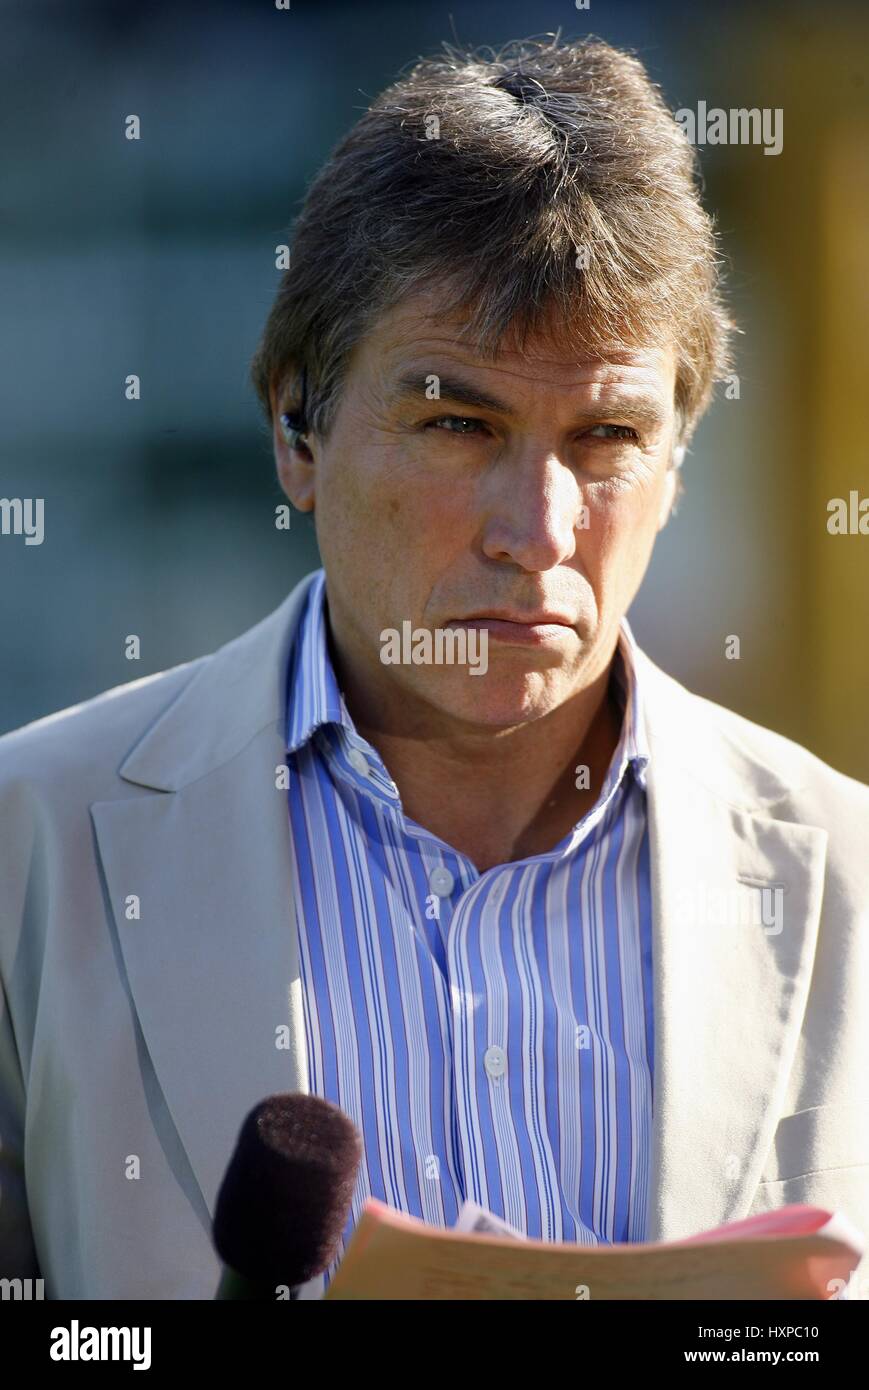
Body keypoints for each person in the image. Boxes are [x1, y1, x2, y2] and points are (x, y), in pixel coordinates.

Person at [1, 35, 867, 1300]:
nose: (538, 530)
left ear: (677, 461)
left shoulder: (847, 881)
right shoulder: (29, 846)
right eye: (457, 423)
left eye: (608, 435)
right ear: (296, 427)